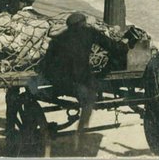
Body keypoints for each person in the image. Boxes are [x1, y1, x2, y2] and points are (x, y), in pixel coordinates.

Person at [39, 12, 132, 151]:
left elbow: (45, 65)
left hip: (59, 81)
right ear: (83, 23)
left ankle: (80, 131)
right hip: (80, 80)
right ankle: (81, 131)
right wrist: (125, 47)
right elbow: (113, 47)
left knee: (86, 91)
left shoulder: (58, 39)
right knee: (89, 97)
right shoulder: (88, 32)